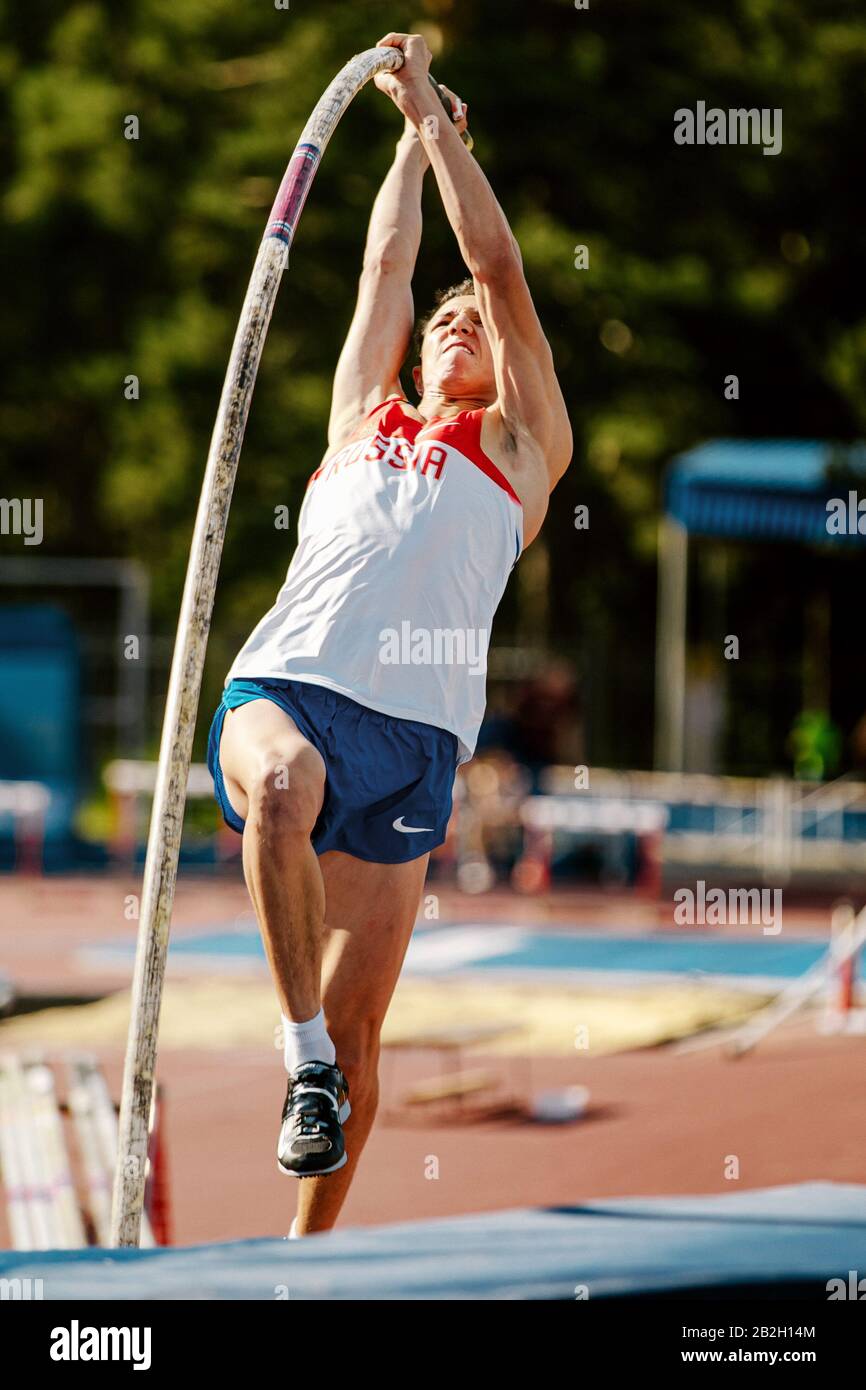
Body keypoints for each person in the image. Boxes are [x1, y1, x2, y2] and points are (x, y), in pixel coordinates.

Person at [206, 31, 572, 1235]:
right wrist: (406, 151)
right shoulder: (361, 421)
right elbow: (385, 264)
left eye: (476, 321)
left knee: (367, 1032)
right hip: (289, 687)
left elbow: (499, 268)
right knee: (281, 790)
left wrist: (435, 124)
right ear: (418, 348)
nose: (462, 318)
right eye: (445, 318)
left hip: (414, 742)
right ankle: (294, 1052)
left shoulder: (519, 455)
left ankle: (305, 1263)